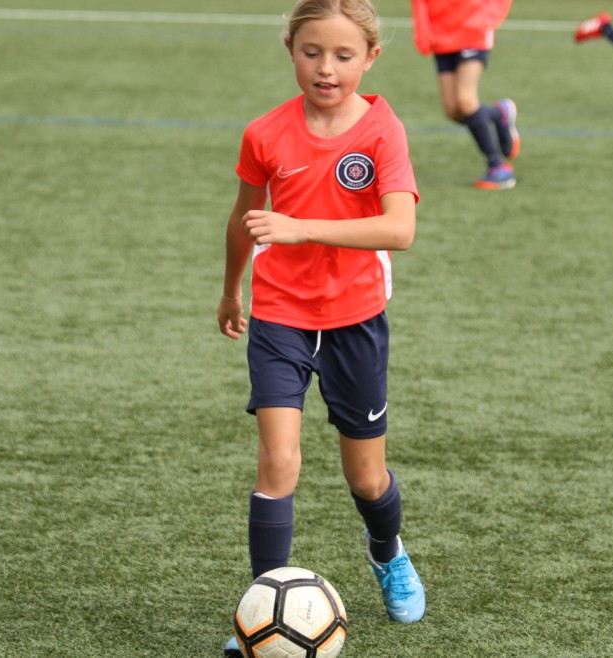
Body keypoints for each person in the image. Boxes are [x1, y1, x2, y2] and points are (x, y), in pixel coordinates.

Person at [217, 0, 425, 653]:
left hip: (354, 317)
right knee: (278, 461)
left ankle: (387, 550)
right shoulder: (265, 133)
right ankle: (261, 617)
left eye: (343, 55)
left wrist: (301, 226)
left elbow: (401, 228)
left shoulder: (381, 131)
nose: (327, 68)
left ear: (370, 58)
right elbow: (242, 219)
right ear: (290, 51)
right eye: (312, 53)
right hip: (279, 312)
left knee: (366, 478)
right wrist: (230, 289)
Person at [410, 0, 520, 190]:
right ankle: (499, 114)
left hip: (473, 32)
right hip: (441, 35)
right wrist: (423, 30)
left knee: (466, 101)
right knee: (453, 110)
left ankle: (497, 166)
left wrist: (486, 17)